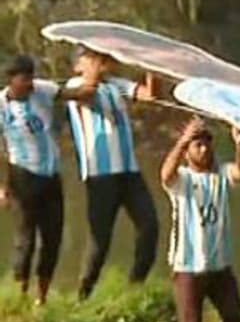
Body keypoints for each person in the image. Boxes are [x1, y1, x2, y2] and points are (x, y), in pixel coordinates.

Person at [160, 117, 240, 322]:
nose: (204, 149)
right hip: (188, 266)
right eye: (198, 145)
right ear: (188, 151)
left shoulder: (220, 173)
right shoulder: (183, 179)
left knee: (234, 317)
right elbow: (165, 175)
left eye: (207, 143)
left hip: (219, 264)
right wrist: (183, 140)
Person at [0, 55, 97, 303]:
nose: (29, 83)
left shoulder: (43, 90)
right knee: (26, 239)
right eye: (24, 78)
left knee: (52, 238)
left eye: (31, 76)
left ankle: (41, 298)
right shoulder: (1, 106)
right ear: (11, 80)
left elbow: (79, 94)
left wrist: (94, 71)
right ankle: (20, 296)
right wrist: (3, 187)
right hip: (22, 175)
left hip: (51, 176)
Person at [64, 46, 159, 300]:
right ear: (78, 66)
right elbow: (86, 94)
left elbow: (149, 95)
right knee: (100, 239)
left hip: (129, 170)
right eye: (89, 57)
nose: (98, 59)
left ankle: (135, 286)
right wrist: (94, 71)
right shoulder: (75, 85)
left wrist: (150, 67)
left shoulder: (116, 84)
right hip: (101, 174)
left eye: (98, 56)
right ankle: (83, 294)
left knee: (149, 226)